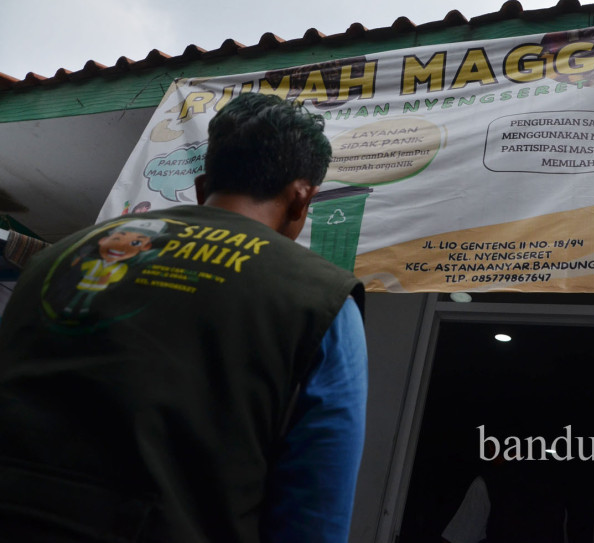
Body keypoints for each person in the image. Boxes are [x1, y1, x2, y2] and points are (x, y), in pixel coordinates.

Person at [0, 93, 368, 543]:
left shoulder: (56, 259)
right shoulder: (322, 301)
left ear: (201, 185)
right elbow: (314, 515)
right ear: (300, 199)